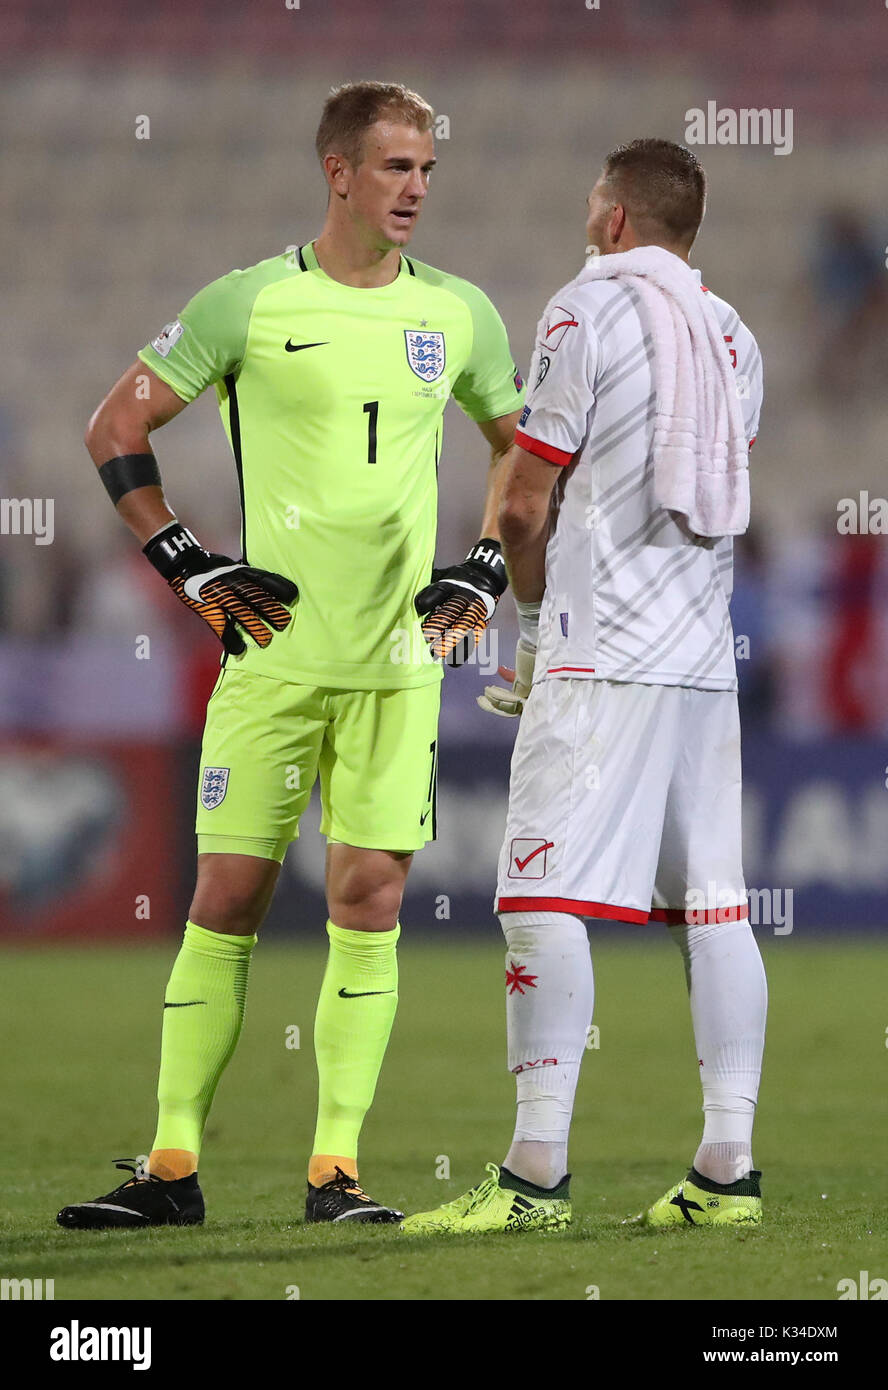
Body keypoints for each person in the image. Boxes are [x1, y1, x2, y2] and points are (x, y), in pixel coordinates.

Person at [59, 81, 524, 1230]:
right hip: (267, 657)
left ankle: (336, 1173)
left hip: (398, 662)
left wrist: (486, 564)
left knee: (369, 902)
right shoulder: (248, 302)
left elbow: (522, 451)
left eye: (428, 169)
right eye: (397, 168)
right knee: (225, 895)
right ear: (339, 173)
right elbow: (114, 427)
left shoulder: (462, 314)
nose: (417, 188)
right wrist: (187, 563)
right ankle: (171, 1167)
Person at [402, 138, 767, 1235]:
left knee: (535, 895)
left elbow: (524, 501)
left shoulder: (584, 312)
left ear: (613, 219)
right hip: (704, 657)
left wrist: (524, 619)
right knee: (713, 901)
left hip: (598, 650)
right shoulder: (734, 333)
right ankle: (727, 1166)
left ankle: (534, 1177)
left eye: (589, 202)